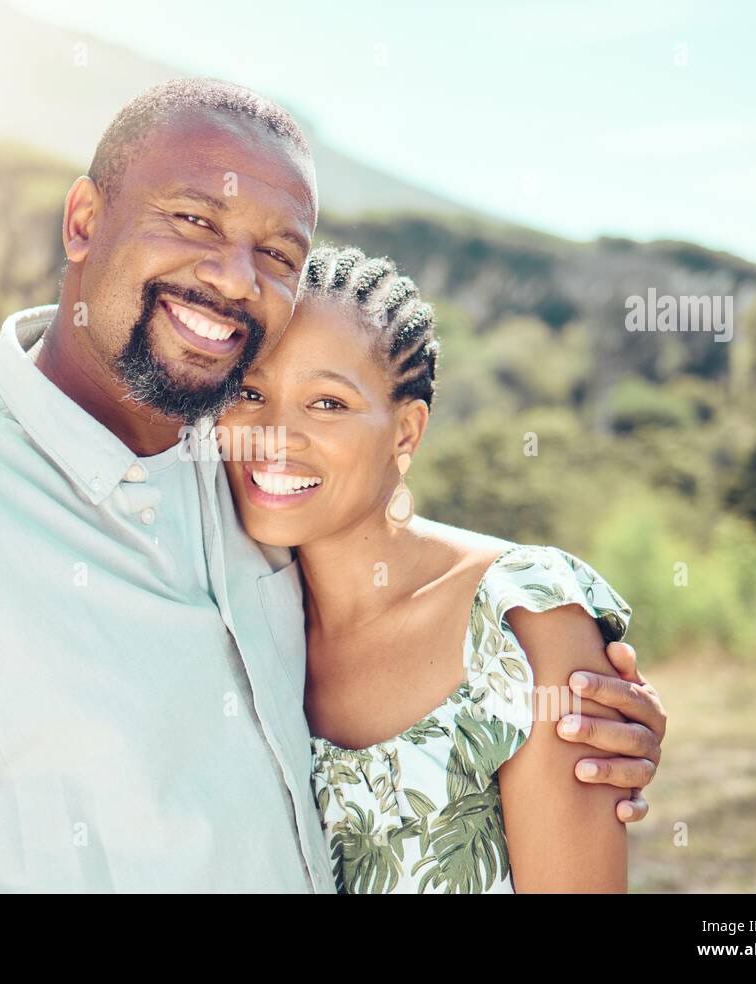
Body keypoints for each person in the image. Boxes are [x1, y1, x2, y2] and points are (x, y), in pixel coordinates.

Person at [0, 78, 665, 893]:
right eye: (193, 219)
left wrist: (555, 677)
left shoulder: (241, 480)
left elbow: (387, 555)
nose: (232, 279)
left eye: (277, 253)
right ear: (82, 221)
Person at [220, 243, 652, 892]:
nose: (274, 435)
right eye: (250, 391)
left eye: (328, 403)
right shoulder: (230, 615)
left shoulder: (520, 620)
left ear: (406, 432)